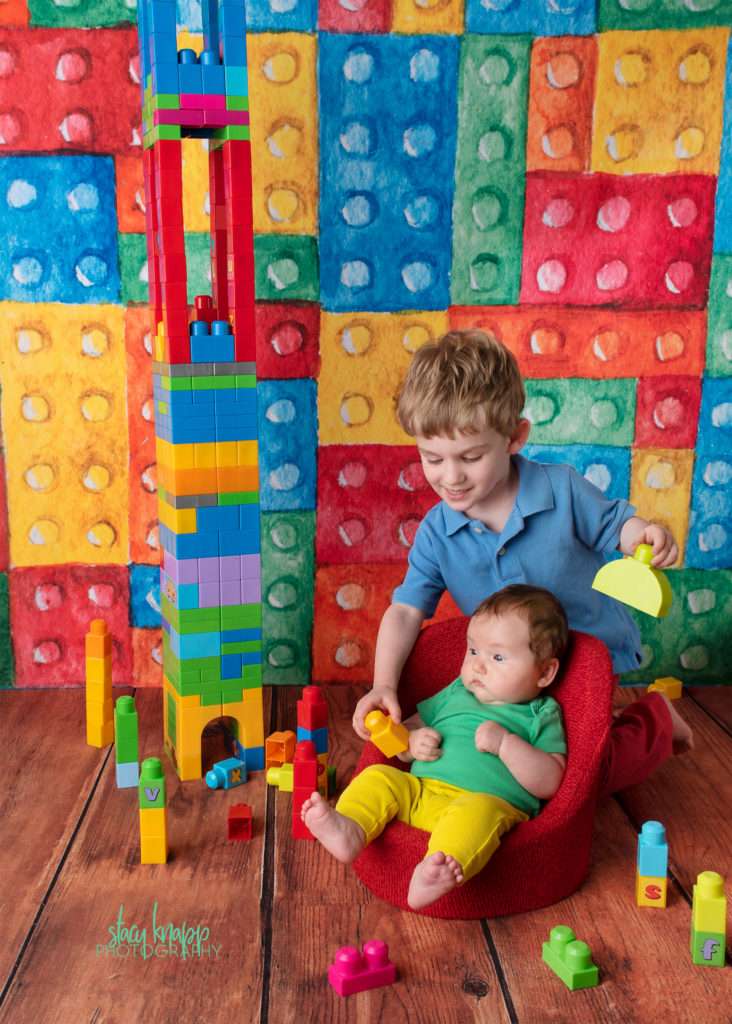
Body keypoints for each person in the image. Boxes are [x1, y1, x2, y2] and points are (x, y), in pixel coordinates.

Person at [352, 329, 693, 794]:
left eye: (470, 457)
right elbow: (407, 609)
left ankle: (655, 720)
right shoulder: (437, 530)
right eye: (432, 458)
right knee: (493, 763)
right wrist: (383, 683)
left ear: (515, 437)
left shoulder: (561, 490)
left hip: (583, 657)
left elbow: (617, 525)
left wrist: (644, 536)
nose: (450, 477)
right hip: (508, 670)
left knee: (581, 775)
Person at [303, 586, 569, 909]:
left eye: (497, 657)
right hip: (420, 791)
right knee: (379, 777)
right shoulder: (456, 692)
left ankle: (435, 870)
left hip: (484, 802)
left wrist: (506, 745)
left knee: (477, 817)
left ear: (545, 672)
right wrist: (412, 743)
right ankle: (350, 827)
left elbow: (551, 781)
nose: (478, 666)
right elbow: (406, 733)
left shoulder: (540, 713)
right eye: (473, 651)